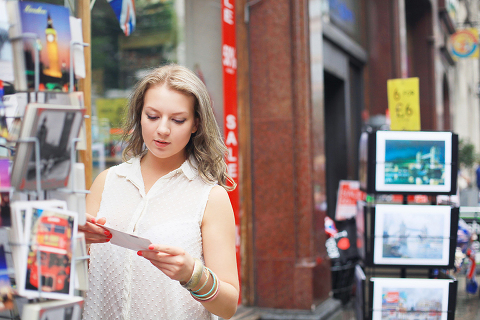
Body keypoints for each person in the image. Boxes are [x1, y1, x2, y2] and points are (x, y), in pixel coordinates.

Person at [79, 64, 239, 319]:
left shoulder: (210, 196)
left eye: (177, 120)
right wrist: (76, 245)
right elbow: (75, 280)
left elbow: (229, 307)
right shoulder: (107, 182)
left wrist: (192, 275)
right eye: (152, 116)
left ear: (196, 123)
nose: (163, 129)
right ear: (139, 114)